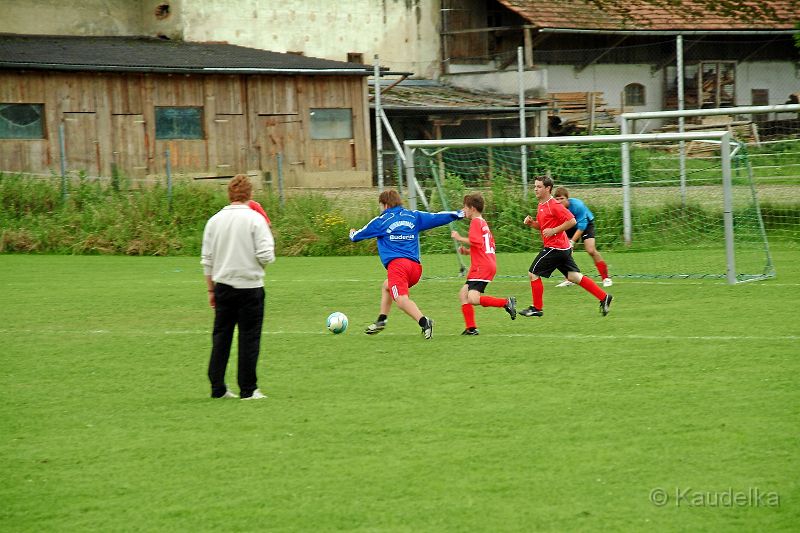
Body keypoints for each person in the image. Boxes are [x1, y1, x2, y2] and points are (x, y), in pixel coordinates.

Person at [349, 189, 464, 339]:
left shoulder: (381, 220)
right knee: (387, 286)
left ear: (385, 205)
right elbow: (436, 217)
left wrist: (352, 233)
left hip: (398, 267)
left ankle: (424, 321)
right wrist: (458, 214)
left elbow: (356, 237)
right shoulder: (413, 216)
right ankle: (381, 320)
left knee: (401, 300)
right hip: (416, 269)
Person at [201, 174, 276, 400]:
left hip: (223, 286)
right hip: (250, 287)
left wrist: (211, 290)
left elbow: (207, 259)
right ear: (250, 195)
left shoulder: (214, 221)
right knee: (249, 338)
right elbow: (266, 254)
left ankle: (218, 387)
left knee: (221, 337)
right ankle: (248, 389)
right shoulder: (255, 220)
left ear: (229, 194)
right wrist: (257, 264)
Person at [520, 176, 612, 318]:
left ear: (547, 188)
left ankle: (537, 308)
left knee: (533, 273)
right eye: (535, 186)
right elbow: (543, 227)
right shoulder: (541, 205)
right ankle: (604, 297)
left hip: (555, 247)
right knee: (574, 276)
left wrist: (554, 231)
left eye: (538, 187)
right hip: (561, 248)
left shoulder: (554, 205)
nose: (535, 189)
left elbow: (572, 221)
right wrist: (532, 223)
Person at [450, 192, 516, 335]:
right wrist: (468, 252)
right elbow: (486, 246)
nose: (463, 210)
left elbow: (477, 242)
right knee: (463, 294)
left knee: (473, 298)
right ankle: (471, 328)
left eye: (465, 207)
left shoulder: (475, 222)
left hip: (482, 266)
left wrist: (459, 238)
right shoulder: (483, 222)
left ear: (472, 208)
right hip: (485, 264)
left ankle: (506, 303)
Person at [552, 186, 612, 288]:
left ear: (567, 198)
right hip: (569, 225)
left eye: (562, 198)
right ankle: (569, 278)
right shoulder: (555, 209)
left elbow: (582, 226)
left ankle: (606, 278)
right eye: (557, 199)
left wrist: (572, 242)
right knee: (563, 252)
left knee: (591, 250)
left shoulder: (577, 205)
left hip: (586, 224)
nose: (559, 201)